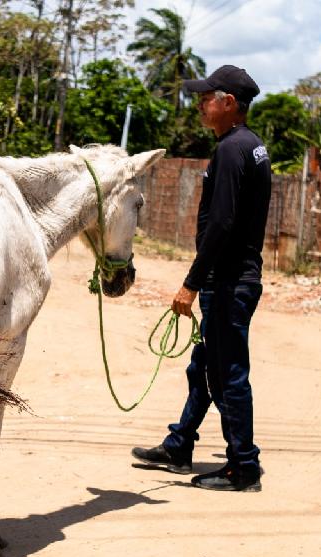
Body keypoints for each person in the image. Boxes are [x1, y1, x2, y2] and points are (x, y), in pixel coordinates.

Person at [131, 65, 271, 492]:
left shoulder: (232, 150)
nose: (200, 105)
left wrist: (192, 283)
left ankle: (243, 467)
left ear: (228, 103)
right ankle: (180, 445)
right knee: (205, 367)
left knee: (227, 375)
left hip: (228, 281)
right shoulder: (250, 146)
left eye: (206, 98)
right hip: (233, 278)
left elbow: (222, 224)